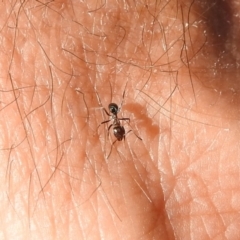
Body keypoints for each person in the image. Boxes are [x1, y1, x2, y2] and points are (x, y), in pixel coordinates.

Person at [1, 0, 239, 239]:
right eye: (119, 130)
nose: (119, 128)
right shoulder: (114, 120)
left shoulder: (119, 120)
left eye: (119, 131)